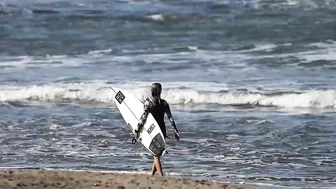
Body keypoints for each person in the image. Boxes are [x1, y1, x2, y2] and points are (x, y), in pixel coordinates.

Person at [134, 82, 180, 176]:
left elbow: (143, 118)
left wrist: (137, 130)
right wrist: (175, 130)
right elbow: (170, 118)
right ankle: (152, 175)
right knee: (157, 153)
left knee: (156, 154)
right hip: (161, 130)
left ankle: (161, 176)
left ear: (152, 91)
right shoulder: (164, 103)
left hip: (152, 131)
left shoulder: (148, 102)